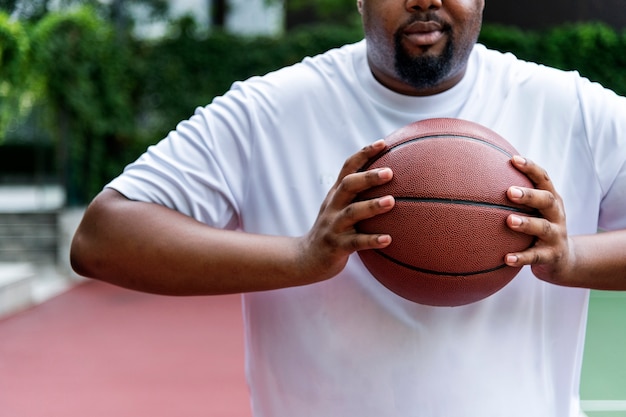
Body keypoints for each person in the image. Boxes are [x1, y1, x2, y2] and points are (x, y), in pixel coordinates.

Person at [70, 0, 626, 415]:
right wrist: (301, 257)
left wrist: (572, 258)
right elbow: (102, 238)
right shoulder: (269, 111)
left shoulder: (572, 108)